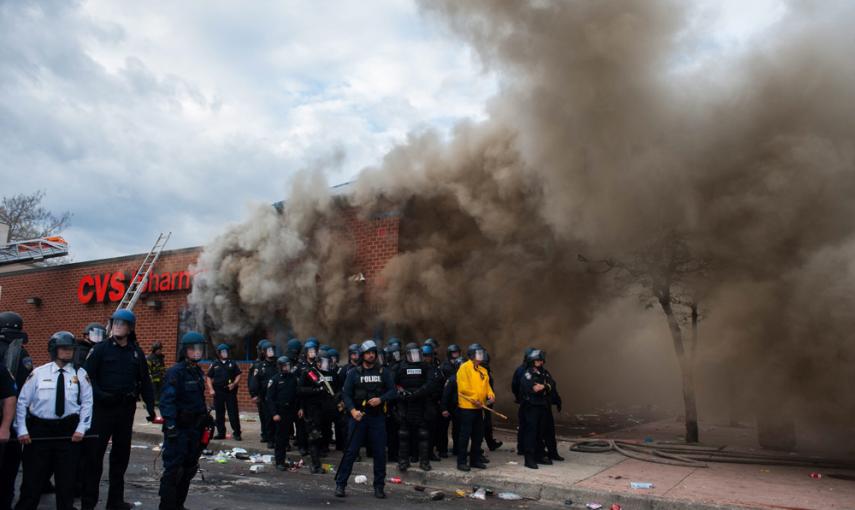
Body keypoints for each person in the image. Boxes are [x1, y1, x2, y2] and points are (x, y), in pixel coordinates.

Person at [83, 309, 157, 510]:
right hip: (102, 411)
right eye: (115, 322)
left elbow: (145, 382)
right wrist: (100, 395)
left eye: (122, 323)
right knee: (94, 457)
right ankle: (88, 503)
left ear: (130, 328)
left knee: (121, 456)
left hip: (125, 410)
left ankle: (115, 501)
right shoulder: (100, 349)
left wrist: (151, 408)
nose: (117, 326)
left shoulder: (136, 352)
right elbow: (87, 378)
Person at [14, 331, 93, 510]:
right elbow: (22, 403)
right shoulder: (38, 373)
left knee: (66, 484)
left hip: (68, 433)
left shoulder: (81, 375)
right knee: (32, 483)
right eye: (63, 349)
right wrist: (22, 430)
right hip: (39, 432)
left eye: (70, 349)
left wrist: (82, 428)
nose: (67, 352)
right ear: (54, 350)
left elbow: (88, 403)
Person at [334, 340, 397, 499]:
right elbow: (346, 394)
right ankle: (340, 485)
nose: (371, 355)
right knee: (350, 452)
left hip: (377, 418)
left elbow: (392, 391)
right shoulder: (354, 373)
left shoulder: (383, 372)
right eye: (369, 353)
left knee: (379, 454)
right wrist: (353, 411)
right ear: (362, 355)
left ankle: (379, 487)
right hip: (359, 418)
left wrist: (381, 400)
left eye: (374, 353)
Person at [158, 332, 210, 510]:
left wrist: (206, 418)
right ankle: (166, 507)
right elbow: (166, 401)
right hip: (178, 429)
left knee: (189, 468)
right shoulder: (176, 372)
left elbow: (199, 400)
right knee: (174, 471)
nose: (196, 352)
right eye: (192, 349)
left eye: (199, 349)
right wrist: (171, 425)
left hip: (194, 429)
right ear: (184, 350)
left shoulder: (197, 371)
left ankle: (178, 505)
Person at [0, 311, 33, 510]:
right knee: (9, 467)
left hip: (7, 416)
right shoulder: (19, 351)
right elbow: (24, 387)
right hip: (12, 420)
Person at [394, 342, 436, 472]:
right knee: (404, 435)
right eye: (411, 354)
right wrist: (402, 393)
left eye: (416, 354)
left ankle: (424, 462)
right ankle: (403, 461)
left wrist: (417, 394)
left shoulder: (425, 367)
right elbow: (392, 384)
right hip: (405, 405)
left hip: (421, 404)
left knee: (423, 434)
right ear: (406, 355)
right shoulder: (400, 367)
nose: (414, 357)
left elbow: (430, 384)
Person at [455, 343, 494, 471]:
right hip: (467, 408)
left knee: (478, 435)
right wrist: (476, 399)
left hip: (479, 407)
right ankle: (461, 462)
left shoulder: (483, 370)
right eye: (479, 353)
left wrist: (490, 395)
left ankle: (474, 460)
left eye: (482, 353)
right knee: (464, 435)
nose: (481, 356)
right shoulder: (464, 368)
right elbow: (463, 388)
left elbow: (487, 386)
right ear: (472, 355)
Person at [298, 350, 338, 473]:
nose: (325, 364)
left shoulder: (332, 373)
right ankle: (315, 464)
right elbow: (300, 390)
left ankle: (322, 453)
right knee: (314, 436)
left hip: (327, 410)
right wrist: (316, 389)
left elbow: (337, 389)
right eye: (323, 361)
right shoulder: (309, 372)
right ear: (318, 362)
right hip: (313, 410)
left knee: (326, 434)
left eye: (327, 361)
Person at [519, 349, 557, 469]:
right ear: (532, 361)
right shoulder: (528, 373)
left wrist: (545, 386)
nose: (540, 362)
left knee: (540, 433)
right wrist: (544, 387)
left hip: (542, 406)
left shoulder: (544, 373)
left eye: (541, 360)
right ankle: (529, 459)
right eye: (537, 360)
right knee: (531, 433)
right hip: (531, 407)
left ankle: (539, 456)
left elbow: (552, 383)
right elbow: (534, 388)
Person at [266, 356, 298, 470]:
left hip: (291, 411)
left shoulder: (293, 378)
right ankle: (279, 461)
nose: (287, 368)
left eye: (288, 365)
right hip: (280, 412)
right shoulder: (274, 380)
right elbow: (269, 399)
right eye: (285, 366)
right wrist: (274, 413)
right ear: (280, 367)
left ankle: (283, 460)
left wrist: (299, 409)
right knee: (280, 438)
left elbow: (296, 395)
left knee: (286, 438)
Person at [206, 343, 242, 441]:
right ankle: (221, 433)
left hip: (230, 391)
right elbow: (209, 377)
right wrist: (211, 389)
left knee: (233, 413)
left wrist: (234, 383)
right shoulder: (214, 364)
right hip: (218, 391)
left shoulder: (233, 363)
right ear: (219, 353)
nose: (225, 353)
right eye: (223, 352)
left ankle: (237, 433)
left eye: (226, 351)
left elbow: (238, 375)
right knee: (219, 413)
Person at [248, 340, 276, 447]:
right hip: (264, 396)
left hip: (276, 396)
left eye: (271, 350)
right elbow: (253, 381)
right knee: (267, 418)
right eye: (268, 350)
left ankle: (276, 439)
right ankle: (269, 438)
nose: (270, 352)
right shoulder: (259, 365)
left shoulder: (277, 364)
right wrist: (254, 394)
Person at [437, 344, 462, 458]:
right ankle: (442, 450)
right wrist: (443, 406)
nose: (456, 355)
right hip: (446, 400)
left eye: (457, 353)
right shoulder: (443, 367)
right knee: (442, 428)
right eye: (454, 353)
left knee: (458, 428)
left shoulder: (462, 366)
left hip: (457, 402)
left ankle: (457, 449)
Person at [511, 347, 534, 455]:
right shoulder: (523, 370)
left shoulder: (522, 369)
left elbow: (514, 386)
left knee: (524, 426)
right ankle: (524, 448)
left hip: (526, 401)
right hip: (527, 402)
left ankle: (523, 448)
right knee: (526, 426)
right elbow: (515, 385)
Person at [481, 352, 503, 451]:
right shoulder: (481, 372)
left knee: (486, 423)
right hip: (482, 403)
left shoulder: (484, 371)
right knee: (484, 424)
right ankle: (487, 444)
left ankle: (489, 443)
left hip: (486, 402)